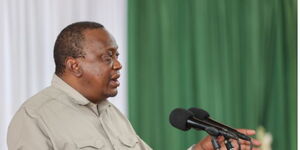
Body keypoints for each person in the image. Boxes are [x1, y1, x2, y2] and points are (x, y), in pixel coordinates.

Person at [7, 21, 260, 150]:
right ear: (74, 65)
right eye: (107, 57)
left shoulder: (111, 115)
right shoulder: (35, 117)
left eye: (117, 56)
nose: (118, 65)